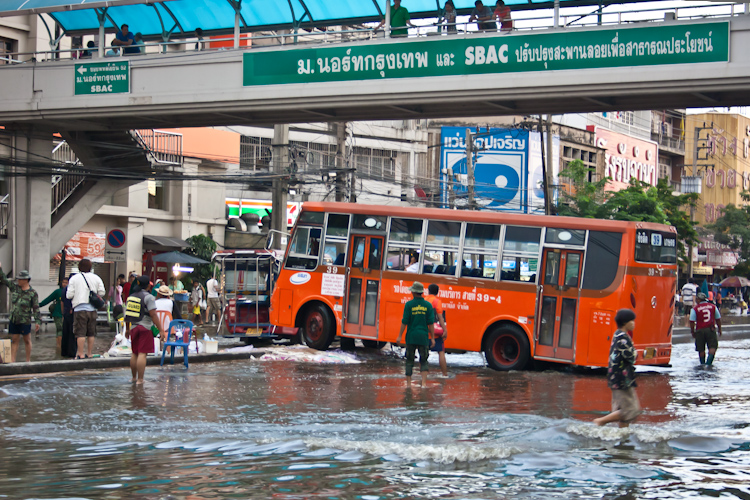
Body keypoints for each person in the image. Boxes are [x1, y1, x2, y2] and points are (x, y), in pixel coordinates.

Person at [594, 309, 641, 428]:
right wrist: (637, 353)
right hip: (623, 379)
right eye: (632, 321)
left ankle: (623, 436)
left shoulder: (617, 334)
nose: (634, 323)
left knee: (622, 408)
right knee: (631, 409)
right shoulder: (623, 338)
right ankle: (601, 421)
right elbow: (631, 357)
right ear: (625, 323)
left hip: (615, 378)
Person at [124, 276, 165, 384]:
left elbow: (127, 315)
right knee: (142, 354)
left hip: (133, 327)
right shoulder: (149, 297)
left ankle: (133, 377)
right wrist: (160, 330)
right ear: (148, 285)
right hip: (145, 327)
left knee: (134, 353)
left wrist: (127, 330)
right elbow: (153, 315)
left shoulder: (131, 297)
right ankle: (140, 379)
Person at [395, 282, 435, 387]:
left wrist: (399, 335)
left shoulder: (409, 305)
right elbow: (430, 323)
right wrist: (433, 338)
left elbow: (405, 321)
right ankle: (424, 384)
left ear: (413, 292)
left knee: (409, 360)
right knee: (424, 360)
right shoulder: (428, 305)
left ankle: (408, 384)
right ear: (421, 292)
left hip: (411, 337)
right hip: (423, 337)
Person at [0, 264, 41, 363]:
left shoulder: (32, 293)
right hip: (14, 319)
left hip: (25, 320)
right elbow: (4, 280)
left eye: (20, 279)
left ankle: (28, 360)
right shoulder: (15, 288)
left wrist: (37, 321)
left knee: (27, 340)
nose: (18, 281)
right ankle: (12, 360)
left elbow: (35, 308)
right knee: (14, 339)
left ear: (26, 280)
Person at [66, 258, 105, 359]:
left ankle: (80, 353)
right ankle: (90, 353)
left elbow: (69, 295)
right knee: (91, 333)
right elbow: (102, 292)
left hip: (79, 309)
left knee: (80, 333)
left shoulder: (74, 278)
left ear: (79, 267)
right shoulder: (96, 277)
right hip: (92, 309)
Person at [690, 292, 722, 366]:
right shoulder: (713, 307)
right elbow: (718, 319)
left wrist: (692, 332)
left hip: (700, 330)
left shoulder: (695, 309)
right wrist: (720, 329)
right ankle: (709, 363)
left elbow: (692, 321)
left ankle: (702, 364)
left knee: (701, 348)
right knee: (712, 346)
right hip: (710, 329)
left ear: (698, 300)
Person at [39, 276, 69, 352]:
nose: (65, 284)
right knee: (60, 329)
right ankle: (59, 347)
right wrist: (38, 305)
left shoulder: (71, 291)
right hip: (58, 313)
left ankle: (63, 346)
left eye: (66, 282)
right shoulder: (58, 291)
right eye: (63, 282)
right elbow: (48, 299)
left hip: (68, 313)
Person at [426, 283, 449, 377]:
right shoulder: (436, 301)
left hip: (424, 332)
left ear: (428, 291)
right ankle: (444, 374)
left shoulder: (423, 300)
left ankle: (423, 375)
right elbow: (440, 317)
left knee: (424, 354)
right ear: (437, 292)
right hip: (434, 333)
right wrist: (445, 330)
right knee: (441, 352)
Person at [60, 273, 77, 358]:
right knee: (73, 333)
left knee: (65, 332)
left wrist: (63, 313)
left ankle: (64, 352)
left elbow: (62, 302)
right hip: (73, 312)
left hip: (66, 312)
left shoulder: (64, 289)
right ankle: (72, 352)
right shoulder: (73, 289)